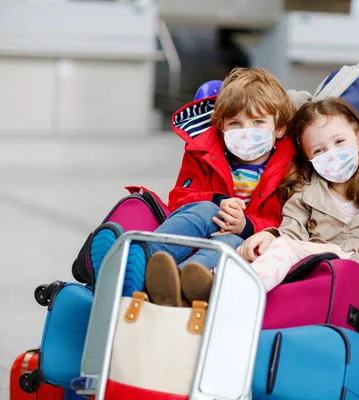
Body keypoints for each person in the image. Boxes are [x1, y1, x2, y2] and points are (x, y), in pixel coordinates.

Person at [88, 67, 297, 305]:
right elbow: (179, 200)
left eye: (258, 122)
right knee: (208, 210)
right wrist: (217, 201)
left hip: (245, 240)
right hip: (197, 229)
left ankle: (167, 284)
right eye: (235, 123)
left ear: (280, 128)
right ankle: (138, 256)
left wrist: (246, 226)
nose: (246, 131)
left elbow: (289, 221)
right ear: (221, 126)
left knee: (231, 245)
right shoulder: (204, 151)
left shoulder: (290, 166)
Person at [237, 98, 359, 318]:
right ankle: (219, 282)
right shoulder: (305, 191)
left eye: (340, 141)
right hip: (314, 280)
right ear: (309, 158)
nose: (331, 153)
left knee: (288, 248)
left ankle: (234, 291)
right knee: (266, 250)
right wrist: (270, 237)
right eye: (319, 151)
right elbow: (291, 233)